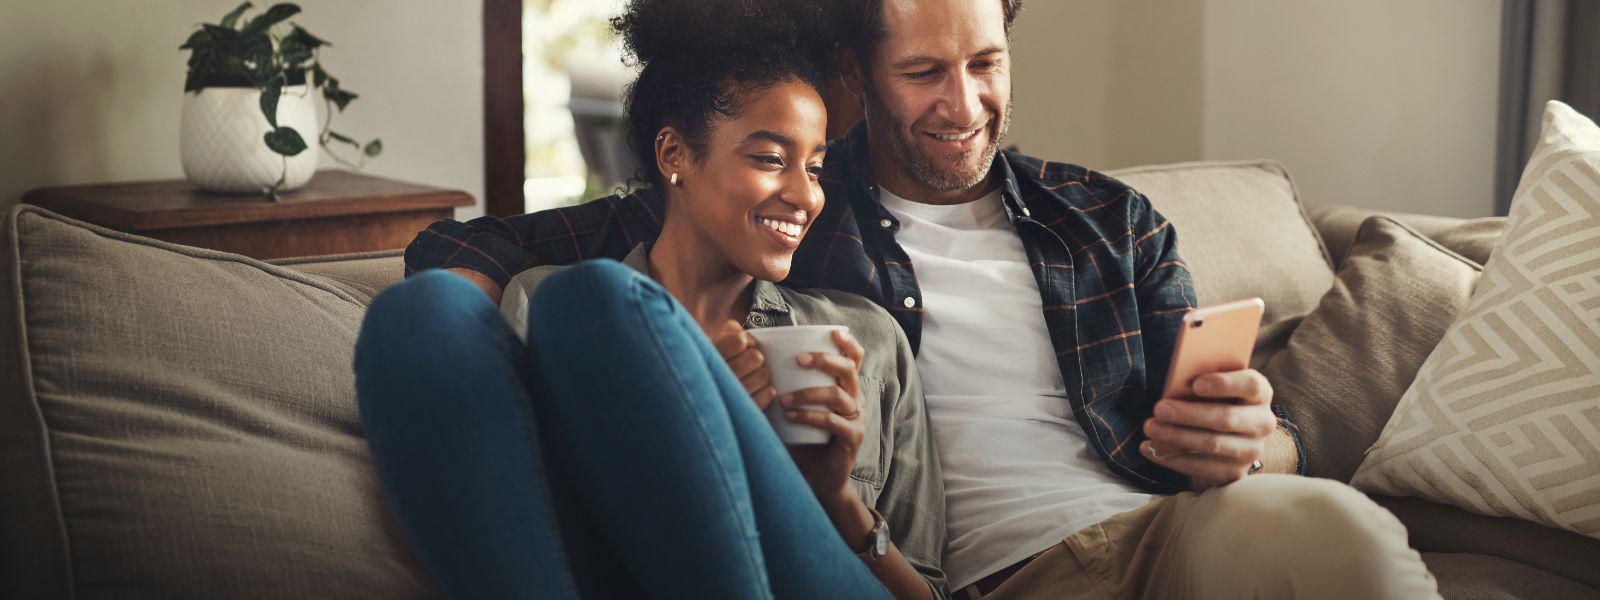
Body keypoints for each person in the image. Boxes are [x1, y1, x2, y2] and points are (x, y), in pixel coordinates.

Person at [405, 0, 1443, 598]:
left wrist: (1254, 441)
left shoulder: (1105, 218)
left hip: (1162, 536)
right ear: (858, 74)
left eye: (985, 63)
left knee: (1337, 532)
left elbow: (1253, 422)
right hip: (988, 577)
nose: (963, 104)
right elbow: (472, 243)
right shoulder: (788, 198)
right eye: (922, 73)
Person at [356, 1, 948, 598]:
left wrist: (835, 497)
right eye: (771, 159)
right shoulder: (546, 307)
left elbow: (927, 590)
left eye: (815, 168)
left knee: (595, 296)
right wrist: (692, 405)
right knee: (416, 315)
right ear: (674, 155)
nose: (805, 196)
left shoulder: (867, 337)